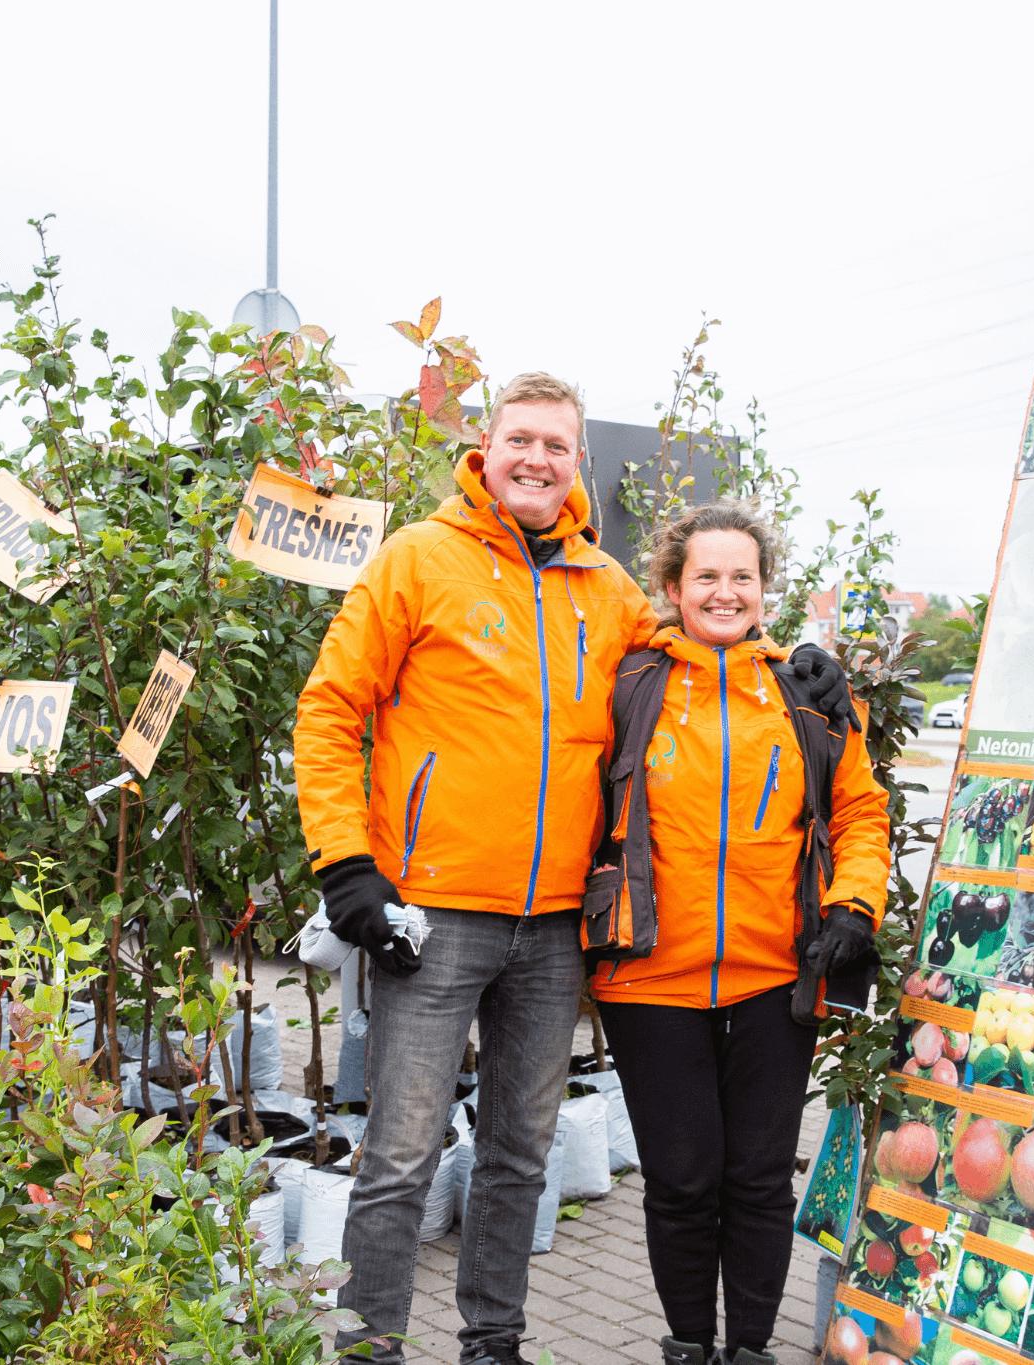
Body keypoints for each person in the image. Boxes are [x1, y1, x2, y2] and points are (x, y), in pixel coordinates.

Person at [293, 372, 659, 1363]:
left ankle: (491, 1344)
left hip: (551, 929)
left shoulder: (609, 593)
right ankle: (368, 1349)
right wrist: (346, 865)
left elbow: (690, 672)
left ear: (578, 462)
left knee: (516, 1156)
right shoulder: (417, 559)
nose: (536, 459)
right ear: (485, 449)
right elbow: (330, 711)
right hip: (433, 917)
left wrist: (779, 667)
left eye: (556, 444)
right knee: (400, 1157)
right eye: (520, 440)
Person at [585, 501, 891, 1365]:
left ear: (765, 587)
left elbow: (862, 810)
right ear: (673, 586)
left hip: (775, 974)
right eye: (706, 576)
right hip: (649, 977)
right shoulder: (629, 680)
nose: (725, 592)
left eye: (742, 577)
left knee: (758, 1181)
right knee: (682, 1181)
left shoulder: (807, 694)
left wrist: (853, 905)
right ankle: (688, 1345)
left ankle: (749, 1349)